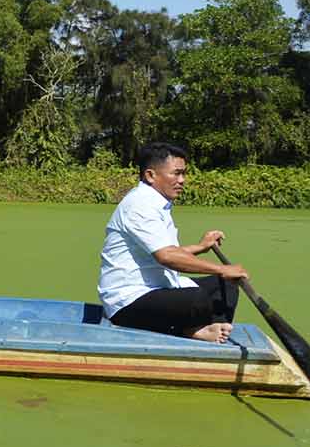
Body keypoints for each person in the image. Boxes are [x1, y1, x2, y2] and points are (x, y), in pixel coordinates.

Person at [98, 141, 246, 343]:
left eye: (184, 173)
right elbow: (166, 257)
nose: (182, 180)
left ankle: (213, 330)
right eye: (176, 173)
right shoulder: (140, 205)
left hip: (159, 288)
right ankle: (190, 332)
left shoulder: (157, 203)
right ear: (151, 175)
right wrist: (221, 269)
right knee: (198, 298)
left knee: (225, 286)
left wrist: (201, 247)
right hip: (127, 301)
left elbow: (165, 250)